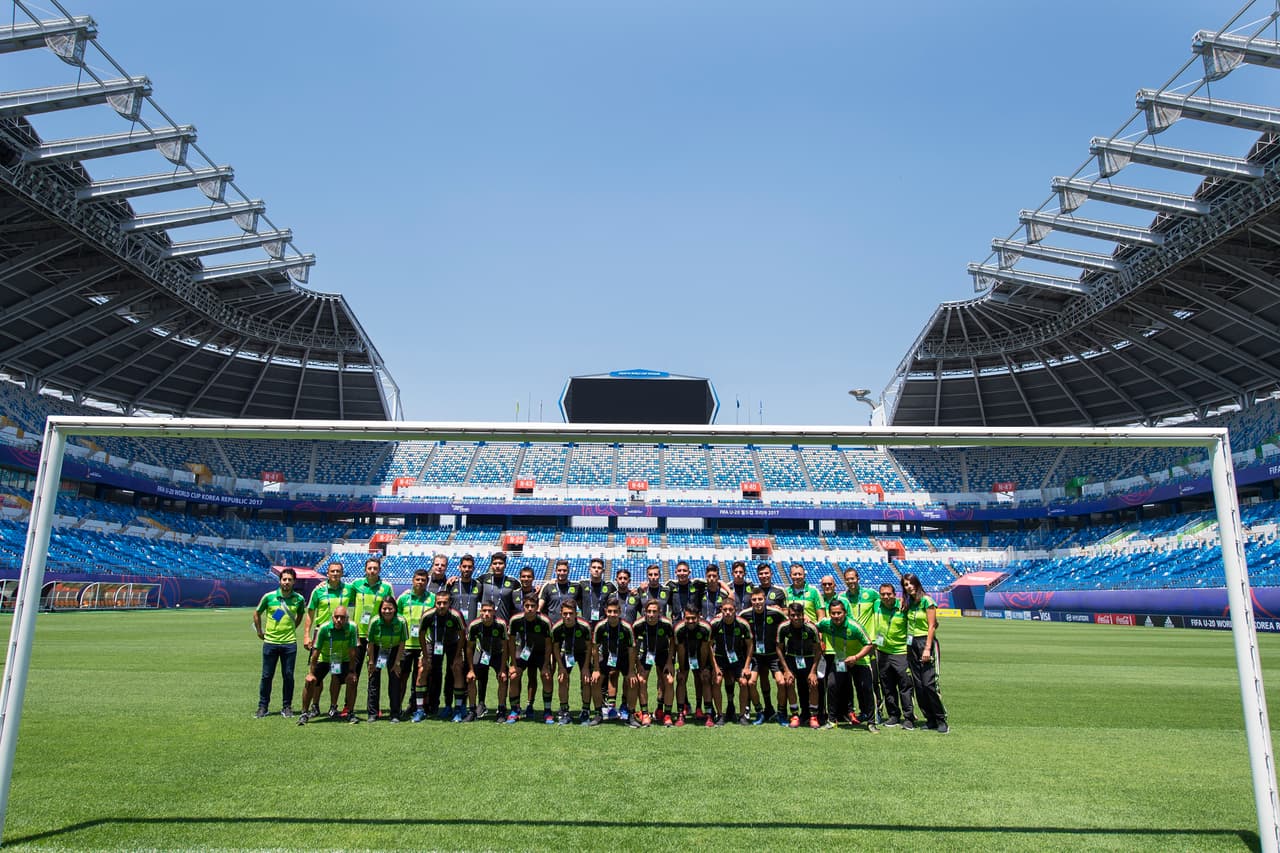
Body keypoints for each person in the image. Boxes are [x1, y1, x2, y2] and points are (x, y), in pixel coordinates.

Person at [816, 599, 878, 733]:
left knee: (866, 689)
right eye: (833, 613)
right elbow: (813, 627)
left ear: (844, 613)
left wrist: (856, 657)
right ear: (829, 614)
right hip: (840, 661)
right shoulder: (826, 624)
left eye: (839, 613)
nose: (836, 616)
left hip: (859, 661)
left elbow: (869, 645)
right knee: (832, 685)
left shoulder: (854, 627)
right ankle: (832, 721)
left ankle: (871, 722)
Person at [343, 557, 393, 719]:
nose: (372, 571)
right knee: (353, 672)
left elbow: (392, 607)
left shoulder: (386, 587)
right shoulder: (356, 585)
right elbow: (340, 590)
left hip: (377, 637)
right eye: (369, 568)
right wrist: (323, 584)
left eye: (375, 568)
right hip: (358, 636)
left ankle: (374, 708)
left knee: (375, 673)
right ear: (365, 570)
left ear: (379, 570)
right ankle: (348, 707)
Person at [253, 567, 305, 718]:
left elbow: (300, 616)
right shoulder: (269, 597)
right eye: (284, 579)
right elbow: (257, 613)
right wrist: (259, 631)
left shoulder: (299, 599)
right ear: (280, 581)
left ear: (294, 582)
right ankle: (263, 707)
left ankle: (287, 707)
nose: (287, 582)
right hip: (270, 642)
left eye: (290, 580)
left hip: (289, 643)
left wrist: (292, 628)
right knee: (266, 676)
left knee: (288, 676)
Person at [902, 573, 948, 733]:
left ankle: (941, 719)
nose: (909, 587)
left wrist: (927, 648)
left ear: (917, 583)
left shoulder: (927, 601)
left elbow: (932, 625)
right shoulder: (909, 603)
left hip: (925, 643)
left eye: (911, 583)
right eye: (906, 585)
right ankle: (930, 719)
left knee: (929, 684)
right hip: (912, 644)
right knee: (919, 685)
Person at [302, 560, 349, 716]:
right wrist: (307, 635)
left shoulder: (348, 589)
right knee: (317, 674)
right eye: (332, 571)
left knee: (336, 674)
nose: (335, 573)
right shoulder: (318, 591)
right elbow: (310, 614)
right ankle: (315, 706)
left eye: (338, 571)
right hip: (321, 635)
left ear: (342, 573)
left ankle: (333, 707)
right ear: (327, 573)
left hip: (340, 634)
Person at [297, 606, 358, 726]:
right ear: (332, 617)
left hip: (342, 659)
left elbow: (352, 652)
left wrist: (352, 671)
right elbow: (315, 653)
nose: (339, 620)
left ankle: (348, 712)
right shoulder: (324, 628)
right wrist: (311, 673)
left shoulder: (352, 628)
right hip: (324, 658)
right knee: (310, 681)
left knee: (352, 680)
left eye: (342, 617)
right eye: (336, 617)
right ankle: (304, 713)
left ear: (347, 618)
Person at [416, 589, 468, 722]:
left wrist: (458, 655)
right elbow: (421, 635)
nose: (441, 606)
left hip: (453, 644)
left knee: (456, 670)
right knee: (422, 669)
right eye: (439, 603)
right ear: (435, 603)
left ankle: (457, 708)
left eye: (444, 603)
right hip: (433, 643)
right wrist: (425, 656)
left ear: (449, 603)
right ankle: (420, 709)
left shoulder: (456, 615)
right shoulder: (428, 615)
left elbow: (462, 636)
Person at [506, 593, 554, 723]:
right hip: (523, 651)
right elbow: (511, 643)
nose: (530, 608)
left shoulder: (545, 621)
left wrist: (546, 665)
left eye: (533, 606)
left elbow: (548, 645)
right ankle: (514, 710)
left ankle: (547, 711)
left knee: (547, 677)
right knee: (514, 676)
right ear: (523, 606)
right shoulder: (515, 620)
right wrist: (513, 664)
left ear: (537, 607)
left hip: (540, 653)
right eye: (527, 606)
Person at [873, 582, 915, 730]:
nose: (886, 597)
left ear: (895, 594)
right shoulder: (876, 604)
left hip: (901, 652)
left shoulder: (903, 606)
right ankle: (893, 715)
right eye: (883, 594)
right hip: (882, 652)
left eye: (889, 594)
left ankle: (909, 717)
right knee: (887, 686)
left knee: (905, 686)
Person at [396, 568, 435, 720]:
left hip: (423, 645)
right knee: (402, 677)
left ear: (427, 582)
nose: (420, 582)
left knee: (419, 678)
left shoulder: (432, 598)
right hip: (406, 645)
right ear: (413, 580)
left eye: (423, 580)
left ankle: (414, 707)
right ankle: (397, 708)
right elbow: (398, 619)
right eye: (417, 579)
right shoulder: (403, 598)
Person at [776, 601, 822, 728]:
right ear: (789, 615)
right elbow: (779, 648)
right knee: (789, 682)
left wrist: (813, 671)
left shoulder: (811, 628)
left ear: (803, 614)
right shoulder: (783, 627)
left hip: (809, 659)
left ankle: (813, 716)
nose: (796, 618)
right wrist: (786, 670)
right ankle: (795, 715)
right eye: (793, 615)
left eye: (798, 615)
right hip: (791, 659)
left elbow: (818, 650)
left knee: (813, 684)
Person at [590, 599, 636, 725]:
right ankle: (598, 714)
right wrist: (596, 669)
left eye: (615, 611)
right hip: (607, 657)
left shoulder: (627, 627)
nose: (612, 614)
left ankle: (631, 715)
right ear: (605, 611)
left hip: (623, 657)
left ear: (620, 612)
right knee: (595, 681)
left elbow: (632, 650)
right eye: (609, 611)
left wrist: (631, 671)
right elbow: (594, 648)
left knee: (633, 682)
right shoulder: (600, 626)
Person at [631, 600, 676, 727]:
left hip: (663, 653)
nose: (651, 614)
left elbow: (672, 642)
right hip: (646, 654)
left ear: (659, 612)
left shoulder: (666, 624)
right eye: (649, 611)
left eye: (654, 611)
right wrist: (638, 664)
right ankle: (645, 714)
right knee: (641, 680)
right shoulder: (638, 625)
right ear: (644, 612)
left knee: (669, 681)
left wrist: (669, 662)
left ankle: (667, 714)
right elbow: (633, 646)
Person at [709, 599, 754, 726]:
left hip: (737, 659)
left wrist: (746, 666)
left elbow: (750, 645)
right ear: (721, 610)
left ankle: (742, 715)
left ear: (735, 610)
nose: (728, 612)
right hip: (720, 658)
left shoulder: (742, 624)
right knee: (717, 681)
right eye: (725, 610)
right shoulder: (715, 623)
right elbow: (709, 645)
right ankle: (720, 715)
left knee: (743, 682)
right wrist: (715, 666)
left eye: (730, 610)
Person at [464, 600, 509, 722]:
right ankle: (472, 710)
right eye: (484, 611)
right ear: (480, 611)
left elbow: (505, 647)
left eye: (490, 611)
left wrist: (503, 669)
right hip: (482, 652)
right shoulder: (474, 625)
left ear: (494, 612)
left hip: (498, 654)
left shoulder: (501, 624)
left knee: (503, 678)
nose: (487, 614)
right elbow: (469, 648)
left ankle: (501, 709)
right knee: (471, 678)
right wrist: (471, 670)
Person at [551, 600, 595, 725]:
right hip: (567, 653)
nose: (568, 616)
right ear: (561, 613)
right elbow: (555, 648)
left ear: (576, 613)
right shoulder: (557, 628)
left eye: (571, 613)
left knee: (586, 680)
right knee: (562, 679)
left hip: (583, 653)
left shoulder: (585, 626)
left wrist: (586, 667)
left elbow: (589, 647)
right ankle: (564, 711)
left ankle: (585, 711)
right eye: (565, 613)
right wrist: (561, 667)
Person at [365, 596, 408, 722]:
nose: (387, 611)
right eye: (384, 609)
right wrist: (371, 662)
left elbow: (402, 643)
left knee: (395, 681)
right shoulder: (374, 621)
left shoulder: (401, 621)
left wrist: (397, 662)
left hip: (395, 650)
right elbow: (370, 643)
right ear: (380, 609)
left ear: (395, 609)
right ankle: (373, 713)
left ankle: (395, 714)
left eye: (390, 608)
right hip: (377, 650)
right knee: (373, 681)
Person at [674, 601, 712, 726]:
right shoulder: (679, 629)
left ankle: (704, 711)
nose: (690, 621)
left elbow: (705, 649)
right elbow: (680, 650)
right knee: (681, 679)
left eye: (693, 618)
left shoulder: (706, 628)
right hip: (684, 655)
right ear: (684, 617)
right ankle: (680, 713)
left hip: (700, 655)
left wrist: (702, 668)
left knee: (704, 678)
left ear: (699, 616)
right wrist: (682, 669)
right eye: (688, 618)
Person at [478, 552, 519, 622]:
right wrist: (457, 579)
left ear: (505, 565)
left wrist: (535, 589)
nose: (497, 566)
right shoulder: (483, 579)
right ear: (491, 565)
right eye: (495, 563)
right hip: (484, 623)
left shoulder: (513, 582)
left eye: (500, 563)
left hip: (503, 624)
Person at [577, 557, 617, 626]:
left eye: (599, 568)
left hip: (603, 625)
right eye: (594, 567)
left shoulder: (609, 586)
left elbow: (620, 595)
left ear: (603, 571)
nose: (596, 570)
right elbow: (578, 601)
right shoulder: (582, 585)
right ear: (590, 569)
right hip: (586, 624)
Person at [447, 554, 484, 624]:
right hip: (454, 626)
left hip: (471, 627)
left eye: (469, 567)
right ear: (460, 567)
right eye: (464, 566)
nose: (467, 569)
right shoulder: (451, 584)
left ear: (473, 568)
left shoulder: (478, 586)